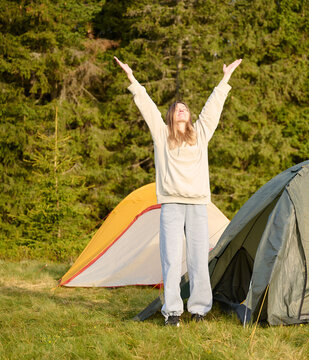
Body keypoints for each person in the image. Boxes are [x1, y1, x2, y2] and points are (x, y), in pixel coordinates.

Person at [115, 56, 242, 327]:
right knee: (171, 259)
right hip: (171, 205)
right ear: (172, 116)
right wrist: (132, 79)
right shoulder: (161, 136)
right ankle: (172, 312)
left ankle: (198, 310)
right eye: (178, 108)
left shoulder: (201, 134)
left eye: (185, 108)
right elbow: (147, 107)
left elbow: (212, 107)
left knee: (198, 259)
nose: (182, 110)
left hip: (197, 205)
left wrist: (225, 78)